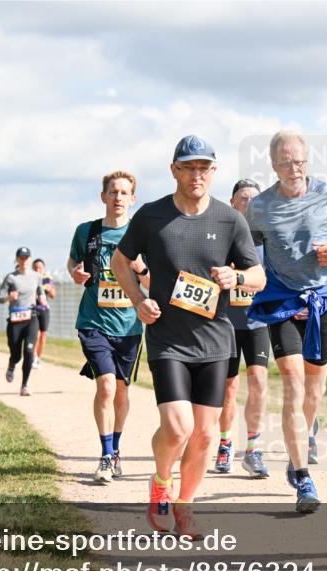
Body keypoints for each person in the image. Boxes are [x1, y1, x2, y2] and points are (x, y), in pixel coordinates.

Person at [111, 135, 265, 533]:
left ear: (213, 172)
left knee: (204, 435)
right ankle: (162, 483)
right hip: (167, 338)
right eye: (188, 167)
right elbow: (120, 261)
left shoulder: (231, 220)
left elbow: (259, 276)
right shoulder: (151, 216)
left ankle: (186, 504)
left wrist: (238, 276)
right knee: (178, 427)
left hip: (215, 340)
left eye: (204, 167)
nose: (196, 174)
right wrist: (137, 298)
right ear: (174, 170)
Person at [245, 131, 327, 513]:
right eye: (286, 163)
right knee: (294, 384)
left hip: (321, 300)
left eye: (300, 162)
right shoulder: (261, 207)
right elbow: (247, 251)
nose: (294, 169)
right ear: (273, 166)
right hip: (282, 300)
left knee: (315, 390)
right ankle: (302, 476)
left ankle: (305, 435)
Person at [68, 171, 148, 485]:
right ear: (104, 196)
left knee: (122, 391)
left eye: (124, 192)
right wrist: (75, 273)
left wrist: (142, 269)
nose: (118, 198)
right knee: (106, 386)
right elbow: (73, 264)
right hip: (93, 321)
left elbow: (153, 284)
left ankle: (116, 450)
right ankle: (104, 456)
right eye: (112, 192)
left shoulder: (141, 237)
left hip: (129, 325)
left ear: (132, 199)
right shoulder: (86, 231)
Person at [215, 179, 270, 478]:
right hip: (226, 323)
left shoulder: (268, 240)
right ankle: (225, 444)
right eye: (242, 198)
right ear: (233, 203)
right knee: (229, 387)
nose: (248, 203)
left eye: (253, 199)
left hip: (258, 322)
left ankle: (253, 449)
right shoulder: (223, 237)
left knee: (259, 382)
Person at [0, 247, 43, 396]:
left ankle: (25, 385)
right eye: (21, 258)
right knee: (16, 355)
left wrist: (42, 299)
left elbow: (40, 292)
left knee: (29, 351)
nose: (24, 260)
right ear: (17, 259)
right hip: (15, 320)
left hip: (31, 317)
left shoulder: (36, 276)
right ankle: (11, 365)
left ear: (30, 259)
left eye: (26, 257)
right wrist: (9, 297)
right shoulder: (11, 278)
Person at [32, 258, 56, 368]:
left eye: (39, 267)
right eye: (35, 267)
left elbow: (53, 295)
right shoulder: (30, 278)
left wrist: (48, 289)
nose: (37, 269)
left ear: (43, 269)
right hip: (32, 309)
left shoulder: (47, 279)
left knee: (43, 335)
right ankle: (33, 357)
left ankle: (39, 358)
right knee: (35, 335)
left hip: (44, 310)